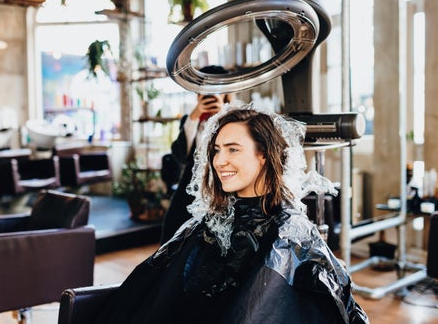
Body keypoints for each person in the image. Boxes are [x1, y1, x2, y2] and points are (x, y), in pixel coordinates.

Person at [94, 103, 369, 324]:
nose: (219, 161)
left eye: (233, 149)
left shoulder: (289, 233)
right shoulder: (208, 223)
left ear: (265, 155)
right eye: (216, 150)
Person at [160, 65, 233, 243]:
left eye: (215, 90)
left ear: (225, 93)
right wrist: (194, 117)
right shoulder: (190, 120)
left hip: (224, 187)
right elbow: (179, 155)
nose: (209, 95)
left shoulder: (235, 119)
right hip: (191, 188)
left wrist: (222, 115)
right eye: (203, 90)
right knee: (173, 234)